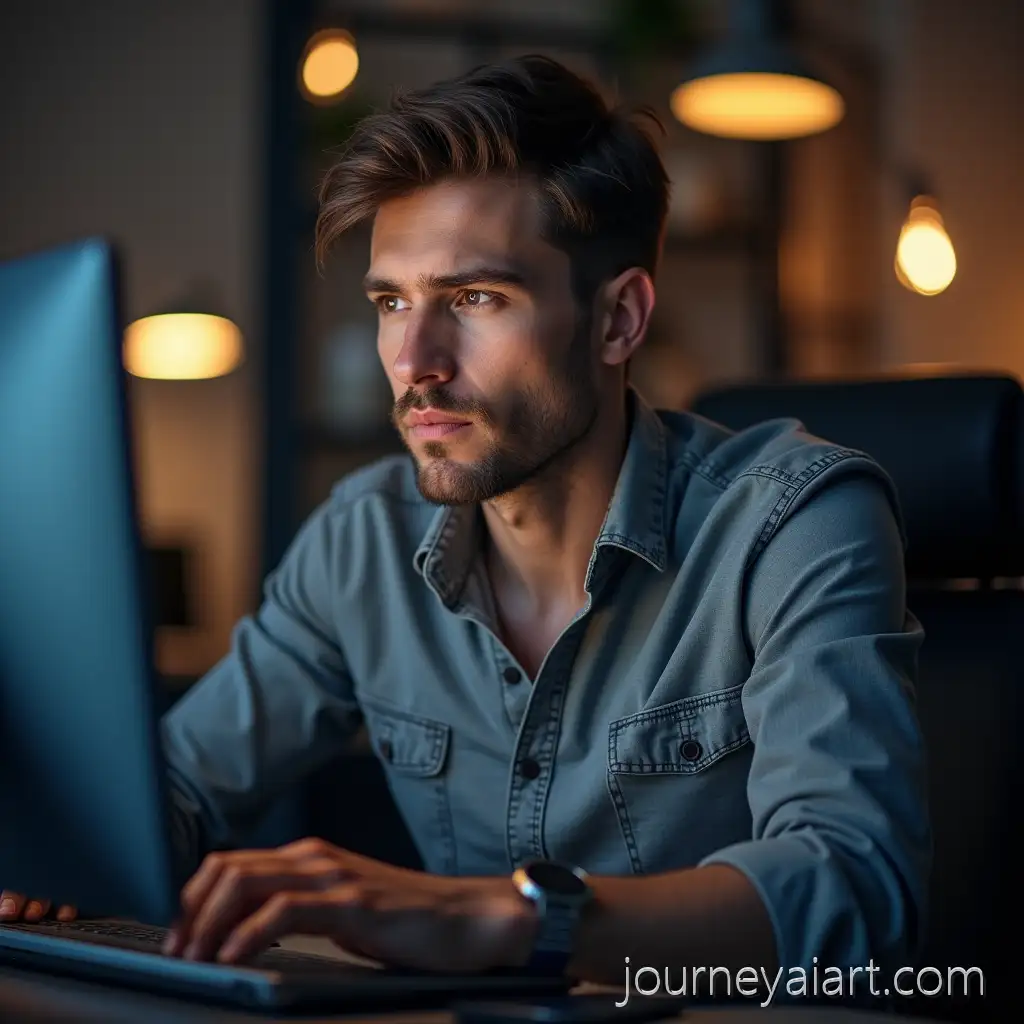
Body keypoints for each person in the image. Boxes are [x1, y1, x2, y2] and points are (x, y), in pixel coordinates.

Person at [2, 55, 929, 996]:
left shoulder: (796, 519)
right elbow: (177, 790)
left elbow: (852, 883)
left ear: (618, 320)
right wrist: (40, 848)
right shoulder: (361, 542)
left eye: (475, 299)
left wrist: (489, 915)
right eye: (391, 301)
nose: (412, 361)